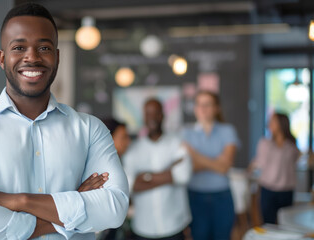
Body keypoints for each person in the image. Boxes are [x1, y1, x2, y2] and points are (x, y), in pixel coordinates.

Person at [0, 3, 129, 240]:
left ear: (57, 57)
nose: (32, 57)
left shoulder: (90, 130)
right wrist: (68, 211)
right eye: (19, 47)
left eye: (44, 47)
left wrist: (21, 200)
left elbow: (115, 208)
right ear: (2, 58)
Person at [123, 98, 192, 240]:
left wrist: (145, 177)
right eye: (148, 114)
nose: (152, 118)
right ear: (143, 117)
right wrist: (169, 173)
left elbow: (183, 175)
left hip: (174, 226)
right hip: (143, 227)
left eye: (156, 113)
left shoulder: (177, 142)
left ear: (163, 115)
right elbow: (129, 184)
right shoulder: (133, 149)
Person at [182, 91, 239, 240]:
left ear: (216, 108)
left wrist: (194, 154)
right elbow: (188, 168)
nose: (202, 108)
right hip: (195, 197)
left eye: (207, 104)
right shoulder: (185, 133)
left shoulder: (228, 131)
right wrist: (216, 161)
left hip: (222, 197)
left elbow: (224, 167)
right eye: (199, 104)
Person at [249, 112, 300, 224]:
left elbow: (295, 161)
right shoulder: (264, 143)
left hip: (286, 189)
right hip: (268, 188)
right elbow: (258, 162)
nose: (270, 123)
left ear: (282, 124)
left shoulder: (291, 146)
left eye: (274, 121)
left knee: (286, 222)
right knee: (269, 223)